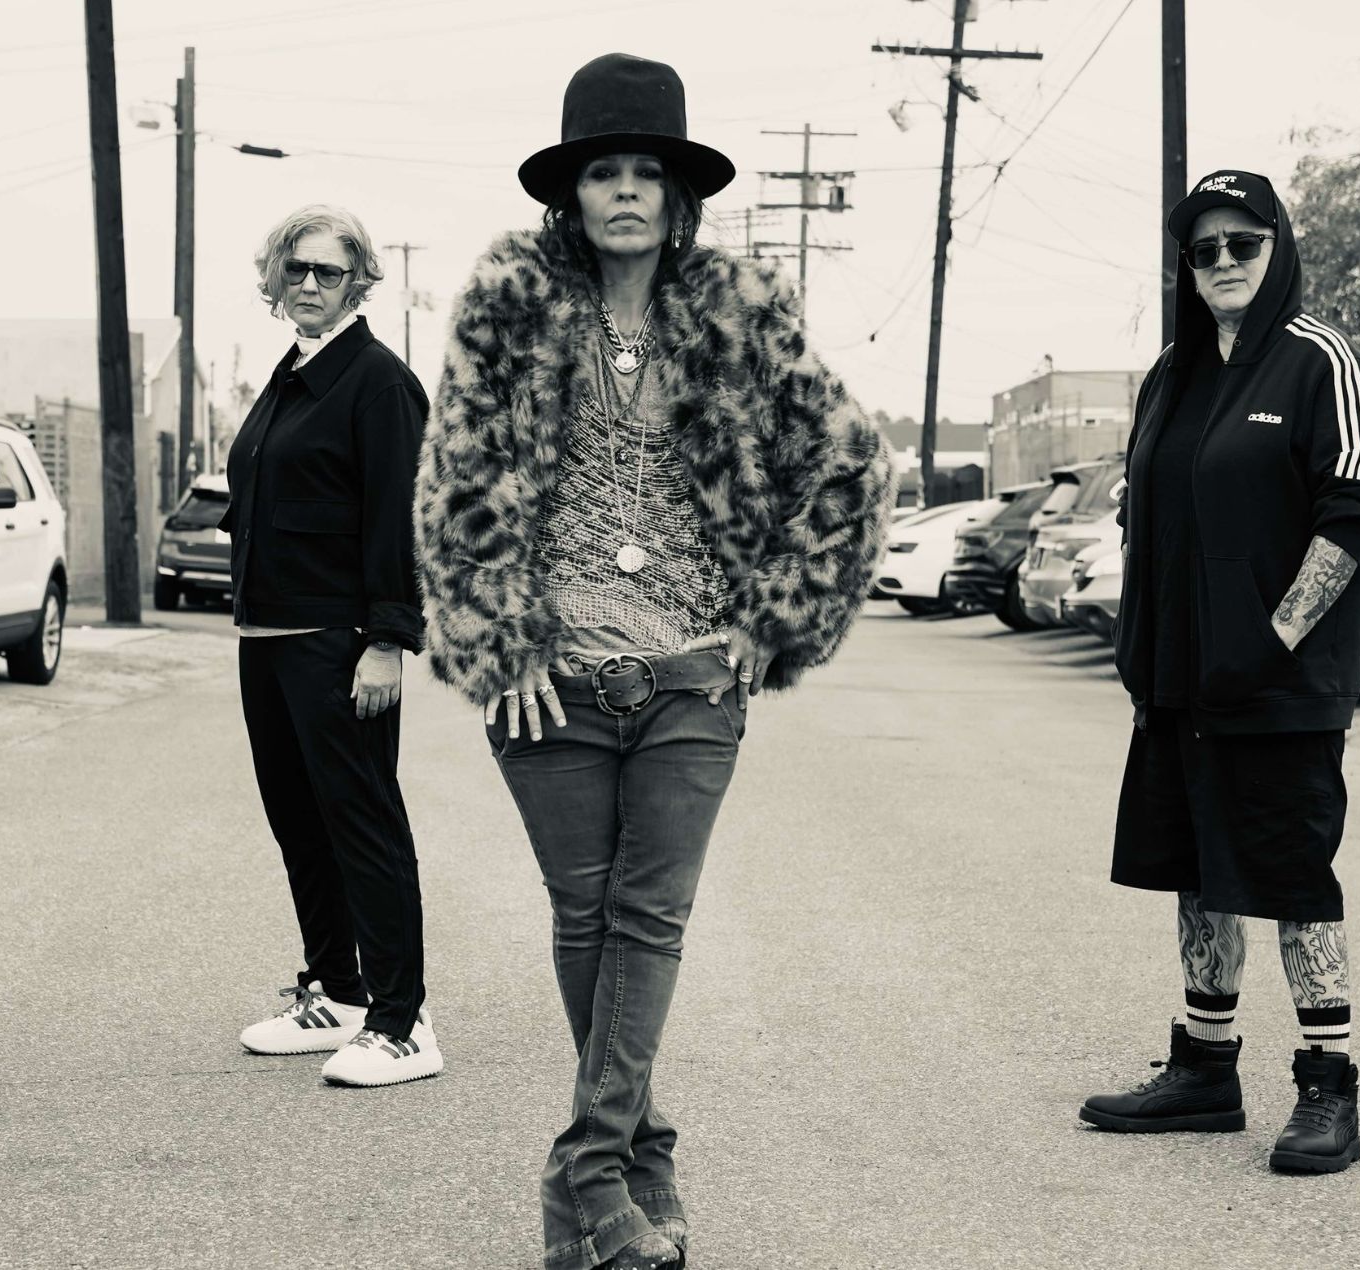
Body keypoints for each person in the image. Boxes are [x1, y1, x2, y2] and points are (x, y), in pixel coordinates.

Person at [417, 54, 892, 1270]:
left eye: (645, 172)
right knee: (586, 919)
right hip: (549, 681)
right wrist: (497, 638)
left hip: (691, 673)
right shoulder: (508, 306)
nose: (623, 191)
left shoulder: (738, 312)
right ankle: (641, 1157)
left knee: (650, 918)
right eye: (601, 172)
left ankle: (581, 1173)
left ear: (677, 195)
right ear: (569, 192)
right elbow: (455, 481)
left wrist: (771, 616)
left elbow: (849, 463)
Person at [1082, 170, 1360, 1174]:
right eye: (1203, 248)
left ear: (1276, 246)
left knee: (1293, 879)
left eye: (1242, 242)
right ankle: (1204, 1068)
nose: (1221, 261)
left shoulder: (1319, 360)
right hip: (1177, 681)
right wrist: (1139, 642)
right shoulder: (1170, 374)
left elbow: (1355, 511)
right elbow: (1144, 510)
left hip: (1280, 686)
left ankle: (1327, 1086)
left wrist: (1273, 639)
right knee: (1195, 872)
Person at [223, 204, 438, 1088]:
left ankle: (402, 1020)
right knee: (300, 823)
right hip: (267, 635)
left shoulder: (378, 383)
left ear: (359, 284)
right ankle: (341, 993)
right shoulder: (293, 372)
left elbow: (400, 517)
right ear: (275, 278)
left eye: (329, 272)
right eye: (296, 269)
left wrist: (387, 639)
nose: (309, 283)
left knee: (362, 822)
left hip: (336, 640)